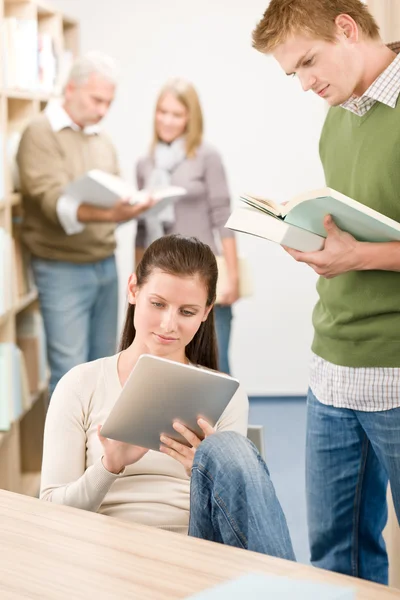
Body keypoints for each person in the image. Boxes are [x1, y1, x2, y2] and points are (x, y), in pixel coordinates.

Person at [252, 0, 400, 585]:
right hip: (332, 369)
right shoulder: (338, 114)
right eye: (294, 73)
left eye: (309, 62)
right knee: (334, 557)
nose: (306, 83)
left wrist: (357, 257)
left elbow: (367, 247)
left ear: (347, 27)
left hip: (395, 366)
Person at [40, 234, 294, 560]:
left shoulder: (225, 394)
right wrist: (109, 466)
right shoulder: (80, 384)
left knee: (231, 451)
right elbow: (48, 511)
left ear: (206, 313)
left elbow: (238, 517)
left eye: (187, 312)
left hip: (193, 548)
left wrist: (206, 471)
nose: (168, 324)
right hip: (104, 547)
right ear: (133, 290)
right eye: (157, 304)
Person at [17, 52, 152, 396]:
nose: (103, 110)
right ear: (71, 89)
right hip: (61, 267)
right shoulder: (39, 133)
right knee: (69, 374)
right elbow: (52, 202)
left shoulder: (99, 137)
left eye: (109, 102)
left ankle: (97, 451)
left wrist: (132, 205)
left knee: (104, 369)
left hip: (104, 265)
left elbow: (115, 189)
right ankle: (68, 452)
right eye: (96, 100)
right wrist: (111, 214)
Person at [135, 78, 239, 375]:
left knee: (213, 365)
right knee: (162, 366)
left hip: (200, 273)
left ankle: (223, 422)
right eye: (162, 112)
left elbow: (223, 216)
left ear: (191, 118)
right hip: (161, 280)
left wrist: (232, 276)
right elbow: (142, 229)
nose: (167, 120)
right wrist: (140, 282)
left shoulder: (207, 157)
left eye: (176, 114)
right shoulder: (146, 163)